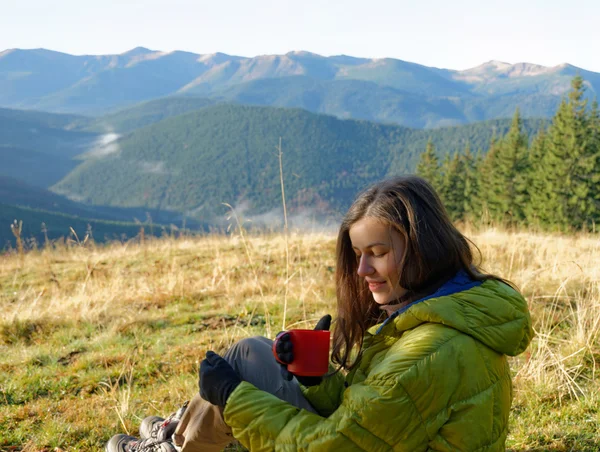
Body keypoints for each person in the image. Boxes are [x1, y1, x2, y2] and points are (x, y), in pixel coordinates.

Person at [106, 175, 533, 452]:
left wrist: (233, 397)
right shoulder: (446, 308)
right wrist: (314, 381)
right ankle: (183, 434)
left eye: (378, 254)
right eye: (358, 255)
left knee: (233, 380)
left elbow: (333, 445)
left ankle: (181, 441)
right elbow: (376, 420)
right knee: (251, 353)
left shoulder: (429, 349)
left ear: (424, 247)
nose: (363, 270)